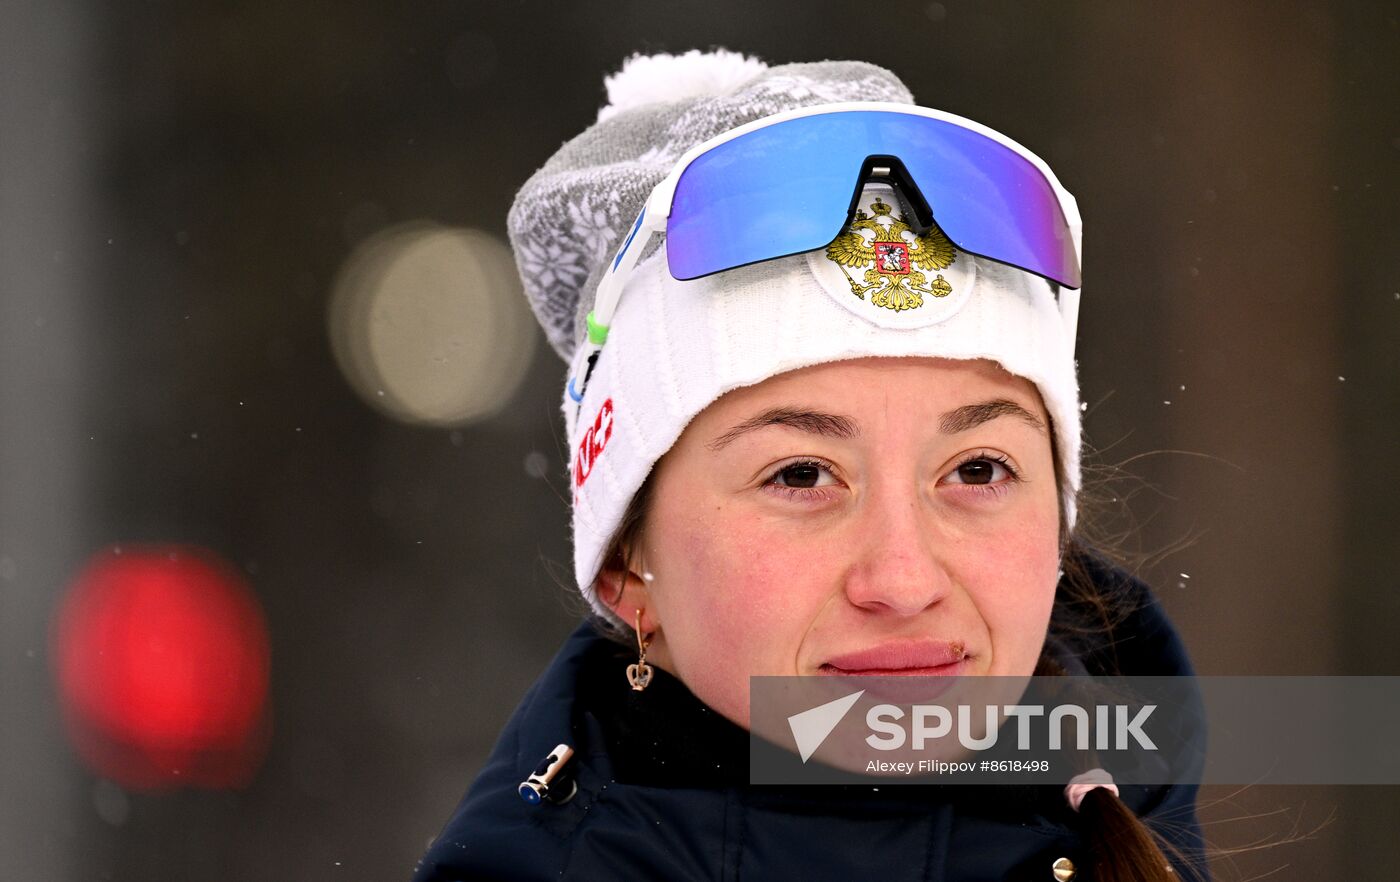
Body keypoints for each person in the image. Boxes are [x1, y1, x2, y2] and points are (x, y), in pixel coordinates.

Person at [415, 49, 1207, 881]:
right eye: (800, 475)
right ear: (624, 560)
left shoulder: (1129, 829)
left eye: (977, 470)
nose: (903, 581)